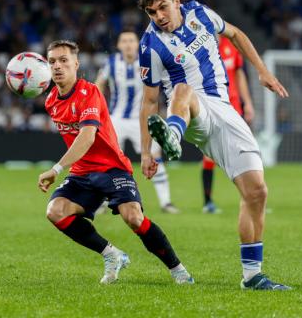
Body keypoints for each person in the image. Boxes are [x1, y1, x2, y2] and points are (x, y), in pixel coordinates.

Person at [137, 0, 291, 291]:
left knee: (256, 192)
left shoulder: (201, 14)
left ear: (176, 0)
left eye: (163, 7)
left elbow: (236, 34)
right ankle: (173, 138)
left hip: (225, 111)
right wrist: (146, 152)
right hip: (191, 113)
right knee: (182, 89)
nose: (159, 16)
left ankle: (252, 276)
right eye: (152, 12)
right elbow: (150, 101)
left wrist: (262, 71)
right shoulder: (150, 44)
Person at [37, 39, 193, 285]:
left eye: (64, 60)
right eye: (52, 61)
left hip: (112, 168)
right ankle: (112, 254)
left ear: (76, 64)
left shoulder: (90, 93)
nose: (57, 66)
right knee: (55, 211)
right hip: (82, 173)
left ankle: (178, 270)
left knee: (133, 218)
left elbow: (87, 137)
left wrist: (56, 168)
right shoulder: (51, 101)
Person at [96, 30, 179, 214]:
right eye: (124, 41)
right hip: (116, 119)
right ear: (118, 45)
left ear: (137, 43)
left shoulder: (146, 60)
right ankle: (101, 201)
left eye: (131, 41)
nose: (127, 44)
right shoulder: (111, 63)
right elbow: (99, 84)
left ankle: (166, 202)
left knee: (155, 157)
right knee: (107, 160)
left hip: (141, 120)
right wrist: (98, 109)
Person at [200, 35, 255, 214]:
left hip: (234, 108)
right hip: (213, 108)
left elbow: (240, 75)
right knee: (210, 157)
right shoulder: (200, 48)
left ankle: (252, 198)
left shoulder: (230, 47)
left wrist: (247, 102)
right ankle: (208, 202)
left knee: (244, 153)